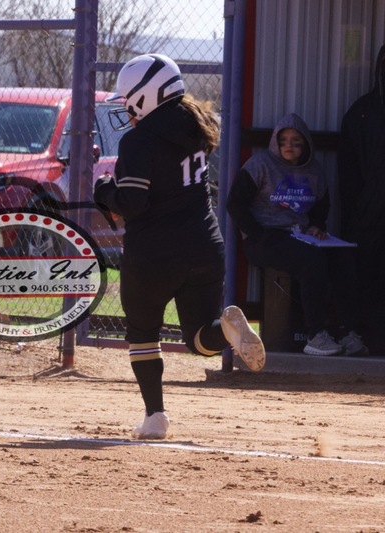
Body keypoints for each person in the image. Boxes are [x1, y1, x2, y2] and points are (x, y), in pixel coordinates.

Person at [94, 54, 265, 440]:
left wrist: (103, 191)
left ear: (146, 96)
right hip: (205, 245)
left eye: (129, 100)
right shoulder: (198, 126)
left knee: (143, 334)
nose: (127, 109)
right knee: (201, 340)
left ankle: (155, 417)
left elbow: (133, 203)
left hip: (153, 253)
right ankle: (227, 330)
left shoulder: (140, 139)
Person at [227, 113, 368, 358]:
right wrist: (257, 233)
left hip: (301, 236)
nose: (289, 146)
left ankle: (349, 333)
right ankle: (315, 336)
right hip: (265, 238)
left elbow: (322, 205)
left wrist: (316, 225)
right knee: (311, 261)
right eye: (283, 140)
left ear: (306, 145)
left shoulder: (314, 170)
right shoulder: (260, 164)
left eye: (296, 141)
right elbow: (235, 204)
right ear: (275, 142)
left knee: (343, 258)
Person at [338, 44, 385, 356]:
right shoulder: (362, 113)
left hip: (369, 212)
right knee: (369, 277)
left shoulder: (362, 112)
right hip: (370, 216)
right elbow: (348, 174)